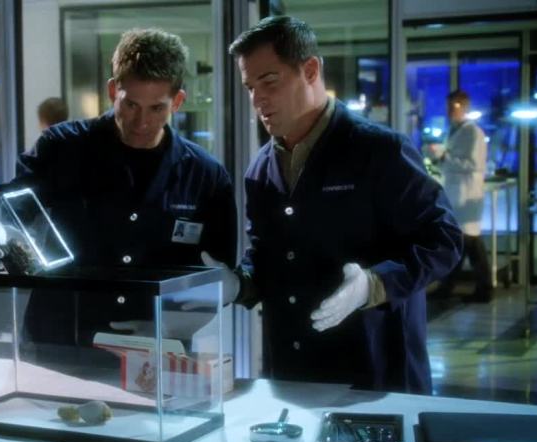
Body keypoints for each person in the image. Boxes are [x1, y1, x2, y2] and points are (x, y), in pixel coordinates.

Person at [202, 16, 462, 394]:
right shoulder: (260, 168)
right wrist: (238, 285)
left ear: (310, 70)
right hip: (293, 373)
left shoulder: (379, 151)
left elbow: (444, 239)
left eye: (269, 81)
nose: (257, 100)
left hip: (374, 375)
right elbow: (268, 257)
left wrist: (373, 284)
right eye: (250, 87)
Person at [0, 28, 237, 347]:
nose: (141, 122)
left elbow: (218, 276)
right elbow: (6, 200)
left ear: (178, 101)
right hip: (61, 341)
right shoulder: (62, 147)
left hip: (158, 349)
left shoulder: (206, 176)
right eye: (131, 105)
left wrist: (172, 327)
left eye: (157, 108)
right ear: (114, 91)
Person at [428, 90, 492, 303]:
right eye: (448, 106)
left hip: (466, 195)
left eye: (454, 106)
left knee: (468, 243)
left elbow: (475, 164)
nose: (449, 111)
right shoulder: (454, 130)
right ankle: (455, 287)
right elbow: (451, 162)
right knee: (463, 243)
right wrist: (440, 160)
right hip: (456, 195)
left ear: (464, 107)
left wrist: (445, 158)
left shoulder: (473, 133)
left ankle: (480, 289)